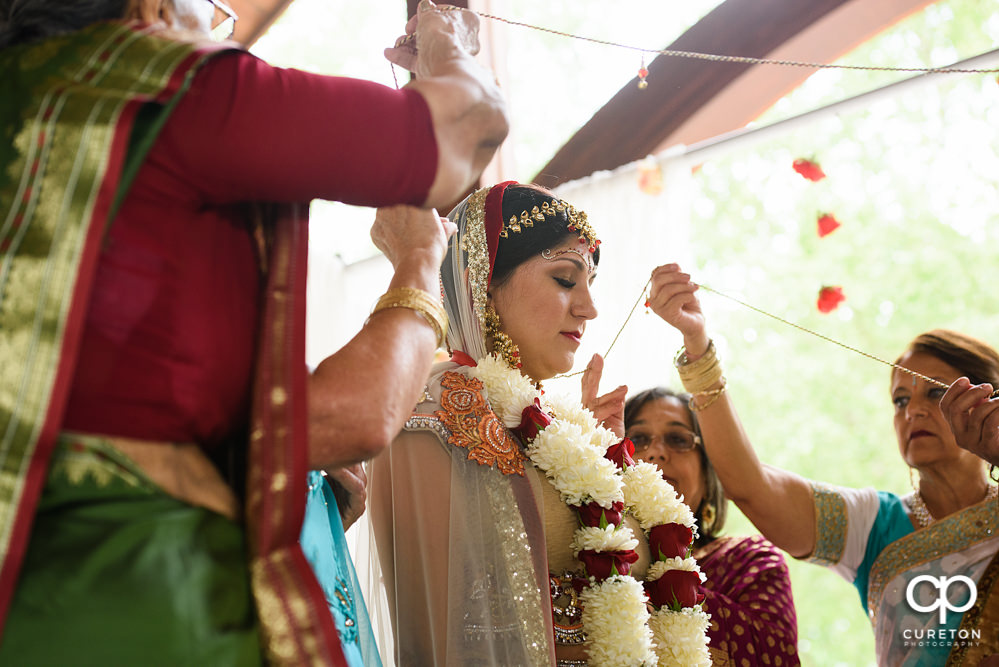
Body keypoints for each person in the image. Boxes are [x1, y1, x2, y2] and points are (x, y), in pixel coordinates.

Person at [0, 0, 506, 663]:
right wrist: (449, 48)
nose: (216, 27)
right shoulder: (166, 87)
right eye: (210, 7)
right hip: (140, 591)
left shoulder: (31, 104)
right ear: (153, 5)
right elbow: (467, 128)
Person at [370, 182, 711, 667]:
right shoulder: (436, 412)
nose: (589, 308)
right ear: (486, 283)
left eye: (590, 284)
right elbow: (440, 637)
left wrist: (604, 458)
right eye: (566, 279)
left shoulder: (560, 431)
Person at [647, 263, 999, 666]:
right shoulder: (877, 525)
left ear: (987, 398)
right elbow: (753, 487)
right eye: (900, 400)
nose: (912, 412)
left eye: (934, 393)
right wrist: (697, 347)